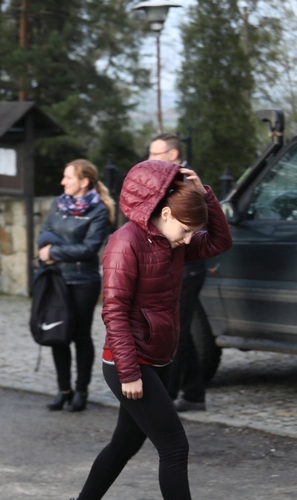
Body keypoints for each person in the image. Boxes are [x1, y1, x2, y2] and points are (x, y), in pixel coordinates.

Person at [73, 160, 232, 499]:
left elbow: (219, 242)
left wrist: (203, 193)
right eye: (186, 231)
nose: (190, 241)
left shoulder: (170, 243)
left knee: (124, 444)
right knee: (175, 447)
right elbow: (114, 312)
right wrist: (129, 373)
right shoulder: (125, 243)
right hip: (130, 364)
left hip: (160, 358)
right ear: (167, 215)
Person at [37, 159, 115, 412]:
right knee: (58, 334)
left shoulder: (99, 210)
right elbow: (44, 235)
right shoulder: (58, 205)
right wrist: (53, 249)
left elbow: (89, 249)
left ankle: (81, 391)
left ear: (84, 182)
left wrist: (54, 251)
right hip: (56, 279)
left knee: (80, 336)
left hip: (83, 281)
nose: (63, 182)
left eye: (68, 177)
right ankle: (64, 390)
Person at [148, 133, 209, 412]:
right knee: (181, 330)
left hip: (187, 268)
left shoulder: (186, 185)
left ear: (172, 155)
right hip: (178, 267)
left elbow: (204, 231)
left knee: (177, 332)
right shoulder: (164, 183)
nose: (149, 160)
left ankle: (169, 397)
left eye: (155, 155)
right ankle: (194, 393)